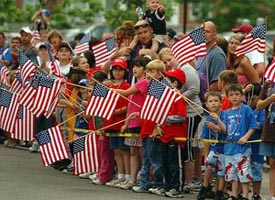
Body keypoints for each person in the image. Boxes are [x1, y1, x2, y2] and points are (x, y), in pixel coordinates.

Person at [158, 47, 203, 192]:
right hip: (171, 126)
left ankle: (186, 183)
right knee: (171, 157)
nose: (168, 63)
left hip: (190, 113)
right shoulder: (171, 83)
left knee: (186, 150)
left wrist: (177, 98)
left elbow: (194, 90)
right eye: (165, 62)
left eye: (169, 60)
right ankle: (172, 183)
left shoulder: (187, 70)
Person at [113, 55, 152, 190]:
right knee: (133, 152)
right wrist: (126, 122)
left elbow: (125, 92)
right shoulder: (137, 82)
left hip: (140, 121)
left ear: (146, 69)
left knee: (141, 153)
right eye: (134, 66)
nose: (135, 69)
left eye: (139, 66)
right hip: (132, 122)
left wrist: (111, 90)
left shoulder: (144, 82)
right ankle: (133, 179)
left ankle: (143, 178)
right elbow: (131, 104)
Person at [217, 83, 257, 200]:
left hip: (242, 148)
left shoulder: (246, 109)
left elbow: (253, 126)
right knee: (231, 173)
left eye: (237, 94)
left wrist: (245, 137)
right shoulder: (227, 112)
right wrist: (218, 120)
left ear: (241, 95)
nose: (234, 97)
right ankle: (233, 194)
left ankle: (245, 195)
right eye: (231, 95)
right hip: (229, 148)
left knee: (244, 172)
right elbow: (225, 130)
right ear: (228, 97)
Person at [131, 59, 165, 193]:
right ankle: (145, 183)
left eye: (151, 71)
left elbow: (159, 109)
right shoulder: (149, 87)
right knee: (146, 158)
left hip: (153, 129)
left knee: (155, 159)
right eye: (148, 71)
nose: (148, 73)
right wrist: (139, 113)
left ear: (159, 74)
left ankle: (157, 183)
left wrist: (158, 125)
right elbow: (148, 108)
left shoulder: (159, 88)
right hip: (145, 127)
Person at [97, 57, 131, 187]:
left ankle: (127, 176)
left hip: (120, 122)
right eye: (115, 69)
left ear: (125, 71)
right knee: (115, 151)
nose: (117, 72)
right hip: (110, 123)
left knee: (124, 150)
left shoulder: (127, 86)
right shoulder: (110, 86)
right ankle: (119, 175)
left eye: (120, 70)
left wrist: (116, 111)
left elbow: (129, 105)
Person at [156, 69, 186, 198]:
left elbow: (181, 116)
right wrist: (158, 124)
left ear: (175, 83)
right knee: (164, 162)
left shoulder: (178, 97)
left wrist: (165, 119)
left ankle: (176, 187)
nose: (164, 81)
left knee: (175, 163)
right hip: (164, 135)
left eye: (168, 80)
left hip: (176, 136)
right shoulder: (164, 98)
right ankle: (166, 185)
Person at [197, 91, 226, 200]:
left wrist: (215, 127)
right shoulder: (207, 119)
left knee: (221, 171)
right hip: (214, 149)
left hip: (225, 149)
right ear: (206, 105)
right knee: (209, 165)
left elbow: (227, 130)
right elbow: (206, 139)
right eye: (210, 101)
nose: (213, 103)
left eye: (216, 101)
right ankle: (205, 187)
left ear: (221, 103)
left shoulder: (225, 115)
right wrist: (205, 155)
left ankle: (219, 191)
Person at [245, 83, 265, 200]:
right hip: (244, 147)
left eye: (252, 99)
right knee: (244, 171)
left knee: (257, 171)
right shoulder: (244, 108)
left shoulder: (261, 110)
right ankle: (244, 194)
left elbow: (261, 124)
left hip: (257, 147)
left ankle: (256, 194)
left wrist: (251, 124)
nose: (250, 101)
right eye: (247, 98)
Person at [195, 21, 227, 93]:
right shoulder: (202, 52)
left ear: (214, 35)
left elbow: (217, 84)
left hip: (209, 100)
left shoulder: (217, 54)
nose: (204, 34)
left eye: (207, 32)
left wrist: (207, 98)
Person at [256, 80, 275, 200]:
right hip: (270, 130)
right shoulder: (268, 84)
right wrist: (270, 99)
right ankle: (272, 195)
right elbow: (258, 105)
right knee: (273, 164)